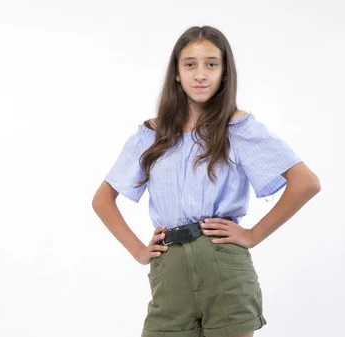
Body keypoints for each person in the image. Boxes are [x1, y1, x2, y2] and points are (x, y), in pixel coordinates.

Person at [91, 26, 321, 337]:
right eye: (190, 64)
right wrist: (138, 251)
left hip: (223, 265)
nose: (200, 74)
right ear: (176, 73)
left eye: (211, 64)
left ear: (225, 72)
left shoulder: (236, 128)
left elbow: (305, 182)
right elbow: (102, 200)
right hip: (169, 267)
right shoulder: (152, 134)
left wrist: (252, 235)